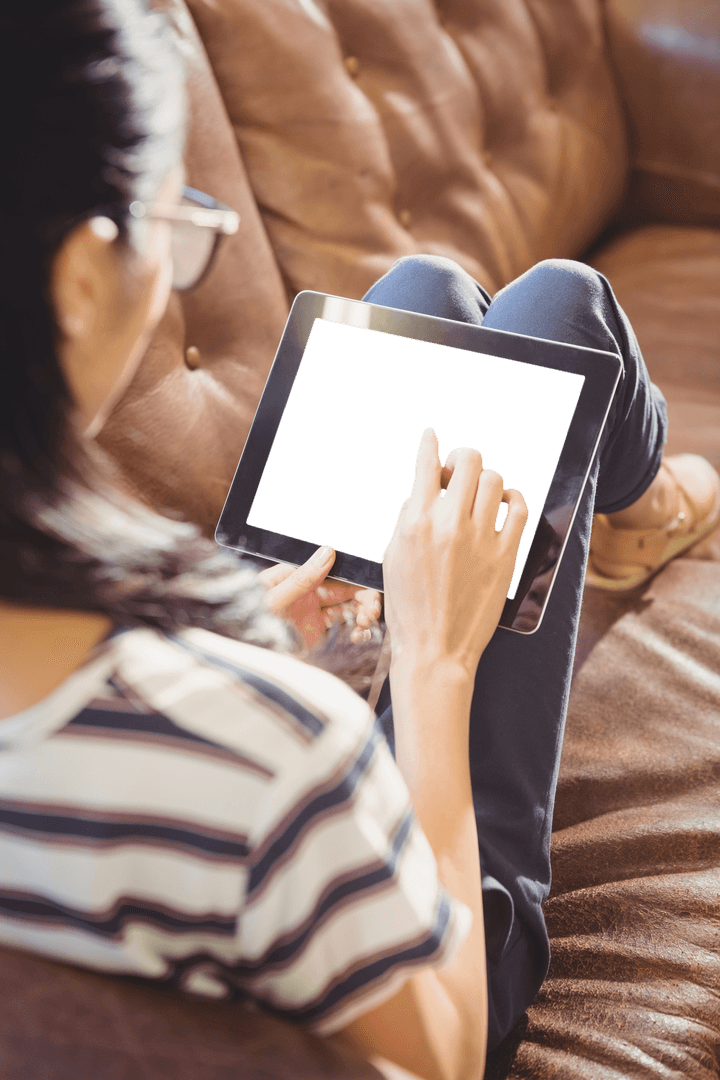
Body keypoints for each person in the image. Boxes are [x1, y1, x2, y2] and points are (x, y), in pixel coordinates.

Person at [1, 2, 718, 1079]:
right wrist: (434, 660)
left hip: (237, 739)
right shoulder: (287, 756)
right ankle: (650, 502)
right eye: (174, 228)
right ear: (82, 281)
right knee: (562, 309)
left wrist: (240, 628)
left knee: (424, 296)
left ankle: (643, 498)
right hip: (435, 930)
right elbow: (446, 1051)